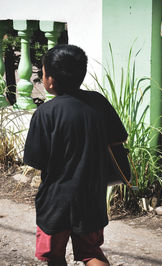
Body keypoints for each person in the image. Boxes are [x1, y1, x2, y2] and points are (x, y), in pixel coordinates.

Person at [23, 44, 127, 266]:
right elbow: (119, 138)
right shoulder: (99, 102)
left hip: (55, 199)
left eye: (42, 73)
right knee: (90, 252)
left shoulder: (45, 113)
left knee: (55, 255)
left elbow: (36, 159)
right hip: (91, 195)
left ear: (50, 80)